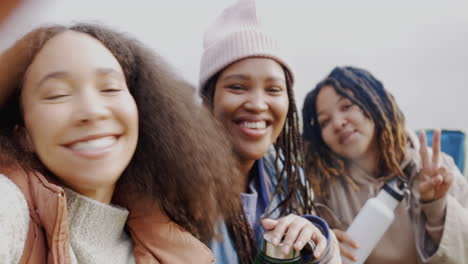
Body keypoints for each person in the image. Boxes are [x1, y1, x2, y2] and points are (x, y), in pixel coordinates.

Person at [0, 23, 242, 263]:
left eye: (109, 88)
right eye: (58, 94)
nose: (93, 111)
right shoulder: (9, 208)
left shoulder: (171, 243)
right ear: (23, 135)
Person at [199, 0, 341, 263]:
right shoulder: (175, 188)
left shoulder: (287, 177)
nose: (257, 104)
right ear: (209, 99)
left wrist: (318, 244)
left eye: (273, 89)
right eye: (238, 87)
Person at [302, 66, 468, 264]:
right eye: (325, 121)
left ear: (375, 103)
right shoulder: (322, 187)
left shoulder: (433, 168)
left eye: (346, 106)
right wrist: (325, 248)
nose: (338, 123)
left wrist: (437, 206)